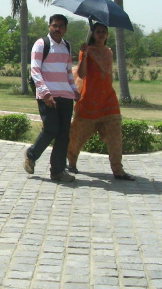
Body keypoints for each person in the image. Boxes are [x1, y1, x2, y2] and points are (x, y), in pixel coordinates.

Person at [67, 22, 135, 180]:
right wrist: (84, 56)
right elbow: (82, 75)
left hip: (108, 100)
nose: (101, 34)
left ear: (107, 35)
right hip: (89, 100)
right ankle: (71, 162)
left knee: (115, 135)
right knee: (77, 134)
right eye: (98, 31)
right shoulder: (86, 51)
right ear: (93, 34)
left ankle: (118, 170)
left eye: (104, 31)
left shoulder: (108, 52)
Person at [23, 14, 80, 182]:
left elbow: (68, 71)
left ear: (65, 29)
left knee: (63, 134)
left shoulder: (66, 46)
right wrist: (45, 93)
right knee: (50, 129)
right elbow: (35, 70)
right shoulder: (41, 45)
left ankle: (57, 171)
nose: (57, 29)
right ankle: (31, 155)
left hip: (65, 95)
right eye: (55, 25)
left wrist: (74, 89)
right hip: (48, 95)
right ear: (49, 26)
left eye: (61, 26)